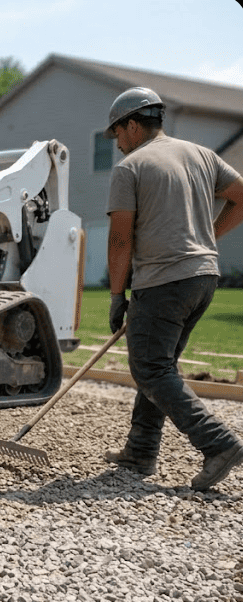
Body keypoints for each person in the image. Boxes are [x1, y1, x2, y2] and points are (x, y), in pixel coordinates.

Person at [103, 86, 243, 491]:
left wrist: (116, 295)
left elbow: (119, 239)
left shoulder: (131, 168)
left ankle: (219, 444)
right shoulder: (199, 154)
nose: (117, 144)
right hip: (203, 278)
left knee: (149, 367)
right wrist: (208, 238)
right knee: (159, 365)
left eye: (118, 134)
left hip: (164, 281)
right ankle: (141, 450)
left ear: (132, 124)